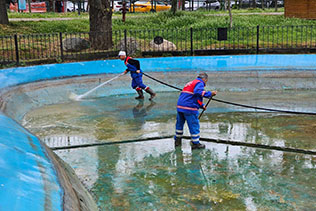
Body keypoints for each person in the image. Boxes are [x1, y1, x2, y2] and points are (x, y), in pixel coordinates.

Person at [174, 73, 217, 150]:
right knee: (194, 125)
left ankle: (177, 141)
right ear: (205, 79)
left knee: (179, 124)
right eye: (206, 81)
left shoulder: (191, 83)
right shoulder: (200, 83)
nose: (205, 84)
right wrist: (210, 93)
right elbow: (197, 92)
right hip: (189, 108)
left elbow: (193, 96)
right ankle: (195, 143)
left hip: (180, 107)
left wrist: (201, 105)